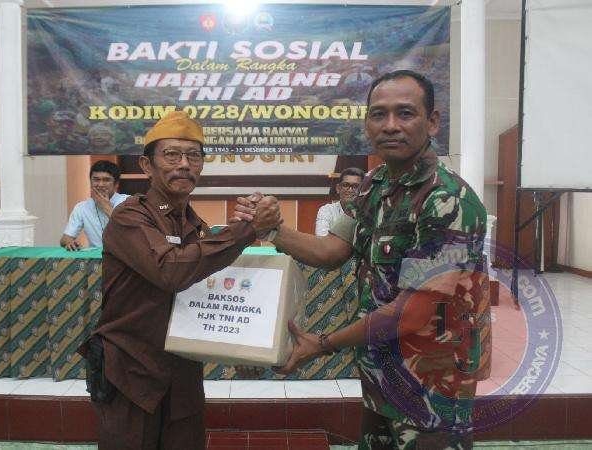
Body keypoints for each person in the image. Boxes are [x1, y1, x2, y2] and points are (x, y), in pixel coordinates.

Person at [234, 70, 489, 450]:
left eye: (405, 113)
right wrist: (273, 229)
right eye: (378, 114)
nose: (390, 125)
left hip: (430, 386)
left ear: (433, 121)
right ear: (366, 123)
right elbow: (331, 251)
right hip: (379, 372)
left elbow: (413, 312)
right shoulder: (373, 185)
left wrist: (323, 343)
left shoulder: (447, 200)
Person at [85, 111, 281, 449]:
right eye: (172, 155)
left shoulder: (196, 225)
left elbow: (208, 295)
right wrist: (246, 230)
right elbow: (171, 271)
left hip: (182, 373)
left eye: (194, 156)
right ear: (147, 165)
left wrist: (243, 350)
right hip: (132, 371)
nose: (185, 165)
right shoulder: (130, 216)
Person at [60, 160, 128, 250]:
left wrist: (107, 208)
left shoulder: (128, 202)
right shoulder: (81, 207)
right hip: (95, 257)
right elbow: (65, 239)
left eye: (106, 180)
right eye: (96, 180)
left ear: (116, 184)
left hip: (124, 255)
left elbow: (132, 233)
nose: (100, 184)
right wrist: (70, 242)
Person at [315, 167, 364, 236]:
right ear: (338, 188)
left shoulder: (369, 212)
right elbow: (322, 238)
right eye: (345, 185)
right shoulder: (327, 210)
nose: (350, 190)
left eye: (356, 186)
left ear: (363, 190)